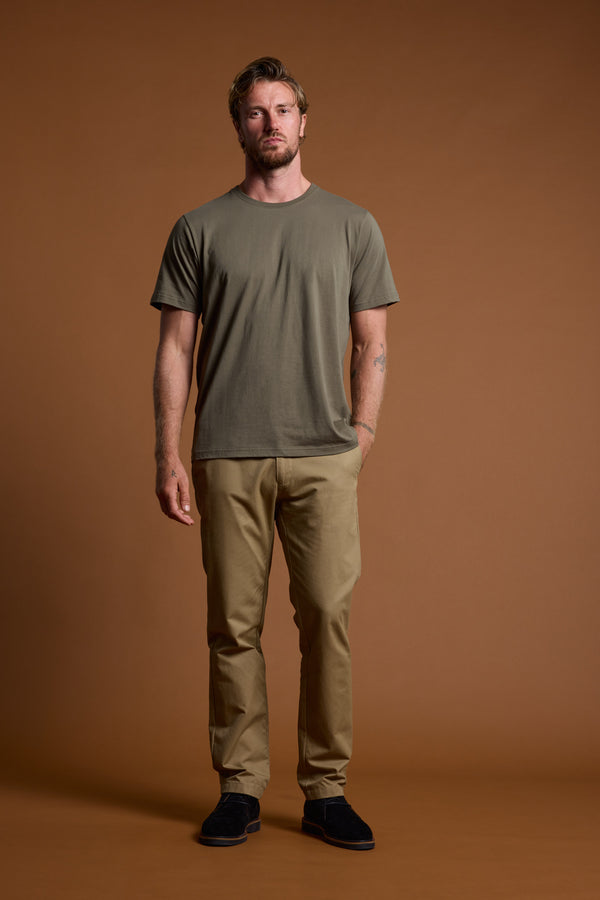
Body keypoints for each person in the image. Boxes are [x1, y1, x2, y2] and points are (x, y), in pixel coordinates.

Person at [151, 57, 398, 851]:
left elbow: (374, 343)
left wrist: (360, 438)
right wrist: (169, 453)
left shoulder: (353, 225)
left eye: (283, 109)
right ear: (238, 126)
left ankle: (326, 790)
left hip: (324, 457)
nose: (270, 124)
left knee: (327, 617)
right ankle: (240, 787)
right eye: (255, 112)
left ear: (303, 120)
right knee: (234, 627)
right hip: (228, 453)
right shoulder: (199, 228)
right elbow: (174, 350)